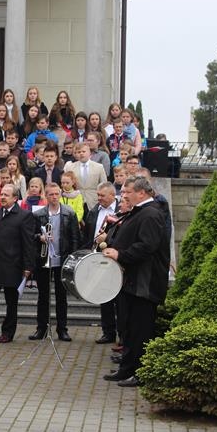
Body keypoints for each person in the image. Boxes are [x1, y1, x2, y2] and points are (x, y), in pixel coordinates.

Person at [102, 176, 170, 387]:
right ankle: (127, 369)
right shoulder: (139, 212)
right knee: (130, 330)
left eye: (127, 192)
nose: (123, 196)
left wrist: (120, 254)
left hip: (145, 284)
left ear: (141, 193)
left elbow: (147, 246)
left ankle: (140, 373)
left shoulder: (151, 214)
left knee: (141, 331)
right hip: (133, 282)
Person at [0, 184, 35, 343]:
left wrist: (28, 267)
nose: (2, 197)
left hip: (13, 265)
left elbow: (28, 243)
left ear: (15, 198)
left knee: (11, 302)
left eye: (6, 195)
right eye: (2, 194)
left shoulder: (24, 216)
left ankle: (8, 333)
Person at [30, 182, 80, 341]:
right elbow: (31, 235)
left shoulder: (69, 213)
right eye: (50, 194)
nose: (54, 197)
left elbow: (75, 238)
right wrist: (40, 237)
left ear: (60, 194)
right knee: (43, 296)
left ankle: (62, 329)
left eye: (56, 194)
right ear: (46, 196)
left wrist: (72, 259)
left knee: (61, 296)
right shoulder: (38, 214)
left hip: (62, 259)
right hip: (44, 260)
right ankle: (41, 328)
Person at [83, 182, 120, 344]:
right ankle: (108, 332)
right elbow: (87, 234)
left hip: (117, 258)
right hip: (99, 258)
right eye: (97, 195)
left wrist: (108, 239)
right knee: (104, 296)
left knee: (120, 300)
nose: (99, 198)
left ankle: (122, 334)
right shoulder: (94, 211)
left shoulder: (122, 210)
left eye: (102, 195)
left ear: (112, 195)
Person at [66, 142, 107, 209]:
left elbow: (104, 185)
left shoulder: (99, 167)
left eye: (83, 151)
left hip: (94, 201)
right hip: (77, 201)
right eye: (79, 152)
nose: (81, 153)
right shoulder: (71, 168)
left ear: (89, 153)